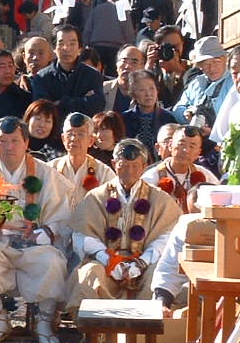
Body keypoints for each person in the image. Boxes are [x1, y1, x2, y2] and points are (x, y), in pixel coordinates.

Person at [0, 116, 73, 343]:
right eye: (2, 141)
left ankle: (44, 320)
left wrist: (47, 232)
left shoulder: (43, 172)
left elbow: (62, 212)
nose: (8, 147)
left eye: (14, 141)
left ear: (26, 143)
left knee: (52, 262)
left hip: (32, 243)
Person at [67, 137, 181, 309]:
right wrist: (107, 260)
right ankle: (96, 334)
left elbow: (167, 237)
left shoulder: (161, 199)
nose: (129, 170)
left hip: (145, 262)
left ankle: (146, 333)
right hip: (106, 263)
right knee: (89, 273)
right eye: (123, 165)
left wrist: (141, 262)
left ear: (144, 167)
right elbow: (82, 235)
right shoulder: (96, 196)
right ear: (114, 164)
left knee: (158, 276)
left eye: (135, 166)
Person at [30, 25, 105, 118]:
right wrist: (81, 100)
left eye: (72, 44)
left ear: (80, 48)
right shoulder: (42, 77)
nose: (66, 48)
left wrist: (62, 102)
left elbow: (96, 106)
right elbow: (43, 110)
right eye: (61, 44)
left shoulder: (93, 75)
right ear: (54, 48)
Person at [142, 125, 218, 213]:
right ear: (170, 145)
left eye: (192, 146)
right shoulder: (150, 178)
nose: (186, 150)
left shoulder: (207, 176)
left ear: (199, 152)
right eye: (181, 144)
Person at [50, 112, 116, 207]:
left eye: (80, 134)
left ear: (91, 141)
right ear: (63, 139)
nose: (74, 138)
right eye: (70, 133)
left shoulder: (104, 173)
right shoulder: (50, 169)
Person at [171, 36, 232, 126]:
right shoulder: (196, 84)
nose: (211, 68)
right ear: (200, 66)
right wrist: (186, 114)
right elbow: (177, 109)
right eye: (206, 64)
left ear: (225, 60)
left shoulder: (233, 82)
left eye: (216, 62)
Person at [121, 69, 178, 159]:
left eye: (152, 88)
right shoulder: (124, 118)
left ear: (157, 90)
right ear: (133, 93)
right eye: (142, 90)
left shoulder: (168, 118)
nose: (148, 94)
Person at [82, 0, 132, 74]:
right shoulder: (122, 10)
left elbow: (88, 28)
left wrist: (85, 44)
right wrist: (130, 45)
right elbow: (128, 30)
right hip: (115, 47)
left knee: (94, 72)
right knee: (112, 73)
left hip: (97, 46)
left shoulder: (97, 9)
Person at [104, 45, 142, 113]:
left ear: (142, 67)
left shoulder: (145, 94)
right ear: (117, 64)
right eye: (124, 61)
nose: (127, 66)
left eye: (134, 62)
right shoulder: (103, 89)